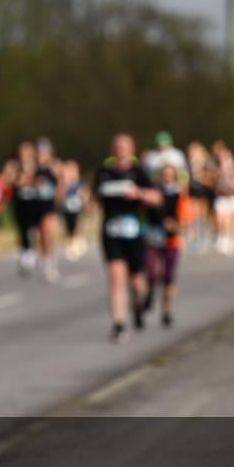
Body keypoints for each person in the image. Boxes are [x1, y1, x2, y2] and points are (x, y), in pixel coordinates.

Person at [93, 133, 162, 344]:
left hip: (134, 230)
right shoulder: (103, 172)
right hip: (111, 230)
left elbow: (157, 198)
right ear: (112, 149)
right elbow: (93, 198)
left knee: (136, 281)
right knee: (115, 278)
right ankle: (119, 324)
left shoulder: (139, 172)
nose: (121, 149)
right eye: (117, 146)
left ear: (131, 148)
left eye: (125, 146)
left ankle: (140, 305)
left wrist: (139, 194)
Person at [143, 163, 190, 328]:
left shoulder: (179, 196)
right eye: (165, 174)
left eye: (170, 175)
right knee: (152, 273)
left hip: (172, 241)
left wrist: (175, 226)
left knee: (168, 277)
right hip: (154, 238)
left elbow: (185, 221)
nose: (167, 178)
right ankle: (148, 298)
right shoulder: (153, 193)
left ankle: (167, 312)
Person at [3, 141, 39, 277]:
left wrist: (28, 179)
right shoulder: (13, 165)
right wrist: (18, 178)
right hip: (19, 202)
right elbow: (6, 181)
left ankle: (31, 251)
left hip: (33, 202)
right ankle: (24, 252)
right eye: (22, 152)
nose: (25, 155)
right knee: (21, 228)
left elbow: (41, 180)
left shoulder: (36, 166)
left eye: (27, 152)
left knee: (32, 229)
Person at [32, 137, 61, 282]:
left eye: (44, 152)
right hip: (34, 205)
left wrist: (58, 198)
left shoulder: (54, 166)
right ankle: (44, 257)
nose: (41, 154)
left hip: (49, 205)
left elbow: (62, 182)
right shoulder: (32, 167)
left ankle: (49, 262)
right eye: (39, 152)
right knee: (39, 235)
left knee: (47, 231)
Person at [213, 144, 234, 256]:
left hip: (232, 198)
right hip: (221, 198)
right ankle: (222, 237)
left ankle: (230, 240)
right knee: (220, 220)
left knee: (230, 221)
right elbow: (215, 185)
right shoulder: (217, 171)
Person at [60, 159, 88, 261]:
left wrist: (84, 198)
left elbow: (85, 194)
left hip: (77, 207)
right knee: (68, 225)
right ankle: (70, 242)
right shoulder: (63, 183)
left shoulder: (79, 182)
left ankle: (78, 240)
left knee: (77, 223)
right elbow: (60, 197)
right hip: (66, 208)